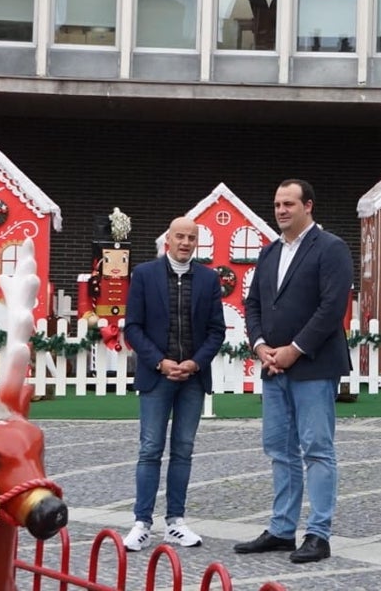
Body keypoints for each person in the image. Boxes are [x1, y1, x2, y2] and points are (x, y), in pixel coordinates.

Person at [234, 179, 353, 564]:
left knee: (317, 449)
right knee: (280, 451)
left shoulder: (331, 248)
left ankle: (318, 534)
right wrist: (261, 346)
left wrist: (295, 350)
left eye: (289, 203)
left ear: (308, 206)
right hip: (273, 368)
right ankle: (283, 529)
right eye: (277, 204)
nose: (281, 210)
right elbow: (252, 304)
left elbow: (332, 306)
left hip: (314, 367)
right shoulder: (269, 253)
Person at [121, 216, 226, 552]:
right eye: (179, 236)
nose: (185, 242)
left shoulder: (209, 279)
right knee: (150, 449)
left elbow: (216, 330)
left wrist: (195, 362)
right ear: (168, 239)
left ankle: (176, 522)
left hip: (193, 377)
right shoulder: (144, 275)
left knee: (183, 449)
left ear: (197, 242)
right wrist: (160, 362)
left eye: (191, 238)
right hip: (157, 375)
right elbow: (133, 327)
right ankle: (141, 522)